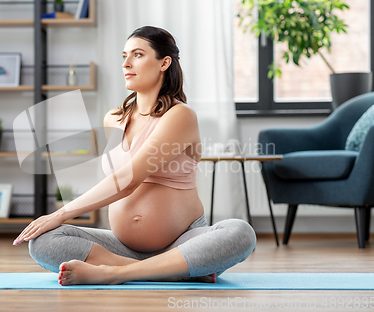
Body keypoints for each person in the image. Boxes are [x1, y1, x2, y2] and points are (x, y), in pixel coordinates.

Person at [13, 26, 256, 286]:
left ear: (164, 62)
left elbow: (128, 179)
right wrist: (55, 222)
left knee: (240, 233)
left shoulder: (180, 115)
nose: (126, 63)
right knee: (43, 240)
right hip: (121, 248)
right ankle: (168, 272)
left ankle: (114, 273)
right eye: (124, 56)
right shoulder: (113, 118)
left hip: (183, 244)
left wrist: (60, 213)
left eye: (137, 55)